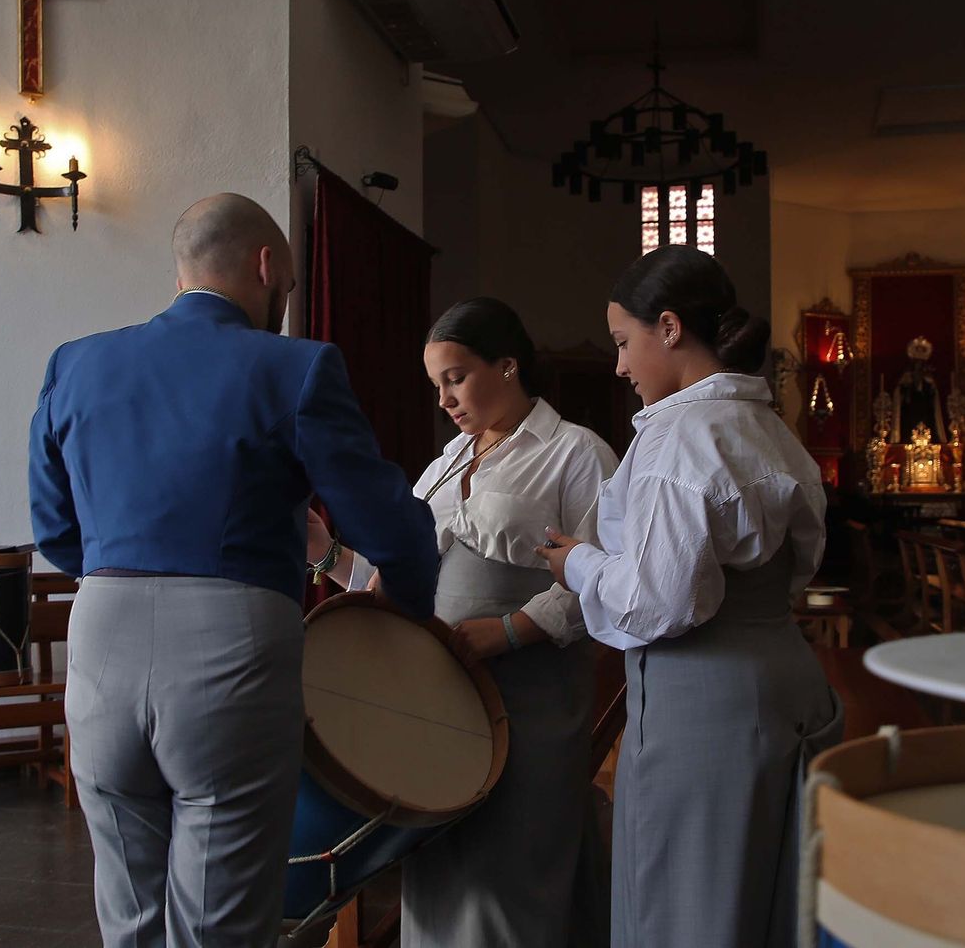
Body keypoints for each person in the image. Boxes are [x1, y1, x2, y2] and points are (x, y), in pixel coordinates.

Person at [29, 193, 439, 948]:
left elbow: (54, 530)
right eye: (287, 286)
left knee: (129, 912)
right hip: (230, 641)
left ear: (181, 273)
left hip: (101, 636)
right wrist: (410, 608)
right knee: (218, 921)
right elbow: (384, 520)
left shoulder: (74, 364)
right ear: (267, 266)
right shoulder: (296, 367)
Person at [536, 245, 843, 948]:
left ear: (669, 328)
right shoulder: (768, 425)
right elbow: (799, 562)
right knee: (767, 900)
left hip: (708, 700)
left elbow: (657, 602)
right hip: (787, 677)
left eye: (623, 342)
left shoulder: (679, 436)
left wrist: (579, 563)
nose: (619, 366)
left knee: (687, 907)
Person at [309, 297, 618, 948]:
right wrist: (327, 554)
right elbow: (396, 578)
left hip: (529, 694)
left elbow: (604, 575)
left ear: (507, 364)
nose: (444, 399)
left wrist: (508, 630)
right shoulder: (445, 463)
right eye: (436, 385)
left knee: (511, 866)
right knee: (438, 863)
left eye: (456, 377)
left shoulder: (575, 451)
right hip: (437, 698)